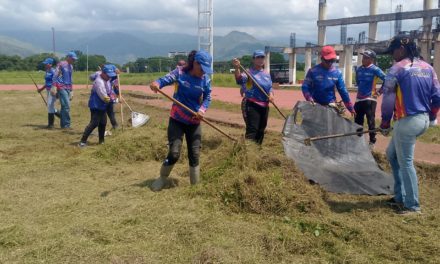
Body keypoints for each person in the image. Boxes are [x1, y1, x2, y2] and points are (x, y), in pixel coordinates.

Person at [380, 34, 440, 215]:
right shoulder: (428, 68)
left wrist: (384, 122)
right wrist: (431, 116)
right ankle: (399, 196)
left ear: (401, 49)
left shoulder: (396, 69)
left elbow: (388, 99)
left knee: (405, 162)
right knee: (392, 154)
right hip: (421, 120)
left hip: (406, 121)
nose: (392, 55)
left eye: (393, 51)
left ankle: (412, 205)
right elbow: (437, 96)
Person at [149, 50, 212, 191]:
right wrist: (156, 83)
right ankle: (162, 178)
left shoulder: (206, 80)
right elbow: (164, 79)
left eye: (206, 69)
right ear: (195, 63)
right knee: (174, 153)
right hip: (177, 119)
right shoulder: (180, 72)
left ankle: (195, 187)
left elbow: (208, 97)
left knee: (194, 154)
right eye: (202, 68)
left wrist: (202, 110)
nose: (203, 72)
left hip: (194, 121)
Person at [232, 50, 274, 144]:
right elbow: (239, 79)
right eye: (258, 57)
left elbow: (270, 88)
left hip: (264, 105)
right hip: (252, 104)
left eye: (262, 57)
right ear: (253, 60)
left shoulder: (267, 74)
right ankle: (249, 153)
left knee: (261, 130)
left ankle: (257, 152)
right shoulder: (249, 73)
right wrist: (237, 68)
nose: (260, 59)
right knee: (253, 130)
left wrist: (271, 95)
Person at [301, 46, 355, 116]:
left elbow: (343, 91)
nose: (330, 63)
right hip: (315, 106)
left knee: (331, 126)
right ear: (322, 59)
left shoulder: (337, 73)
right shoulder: (313, 71)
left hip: (331, 106)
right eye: (327, 61)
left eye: (332, 60)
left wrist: (350, 107)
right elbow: (305, 86)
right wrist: (309, 97)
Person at [78, 64, 117, 148]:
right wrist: (114, 100)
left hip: (102, 105)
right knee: (94, 123)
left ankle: (101, 141)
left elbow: (109, 91)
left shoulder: (107, 79)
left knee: (103, 123)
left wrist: (112, 96)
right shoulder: (99, 82)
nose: (109, 77)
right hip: (96, 105)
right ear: (103, 73)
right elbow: (104, 96)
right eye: (108, 75)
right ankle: (82, 142)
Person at [354, 49, 386, 149]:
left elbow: (388, 81)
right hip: (359, 99)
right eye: (363, 57)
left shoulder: (375, 69)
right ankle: (358, 142)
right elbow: (358, 82)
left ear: (371, 60)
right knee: (357, 121)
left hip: (370, 99)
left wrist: (379, 92)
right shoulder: (359, 69)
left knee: (370, 121)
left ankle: (372, 141)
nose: (363, 59)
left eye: (366, 58)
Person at [54, 51, 77, 129]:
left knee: (64, 107)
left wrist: (72, 90)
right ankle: (66, 125)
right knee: (66, 106)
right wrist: (54, 87)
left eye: (75, 59)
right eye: (73, 59)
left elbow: (71, 78)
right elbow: (55, 76)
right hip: (61, 87)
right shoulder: (61, 64)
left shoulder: (71, 67)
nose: (74, 61)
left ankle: (63, 124)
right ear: (68, 57)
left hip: (68, 87)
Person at [37, 57, 59, 128]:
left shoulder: (54, 71)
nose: (45, 65)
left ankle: (51, 124)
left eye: (46, 64)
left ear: (50, 64)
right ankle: (61, 116)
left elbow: (57, 81)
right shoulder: (47, 71)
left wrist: (57, 91)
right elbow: (46, 83)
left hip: (53, 90)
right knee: (50, 106)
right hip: (48, 90)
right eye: (45, 64)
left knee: (50, 105)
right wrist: (41, 89)